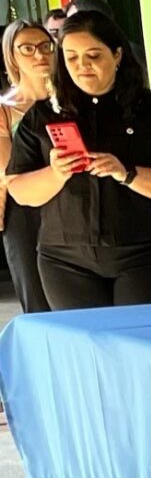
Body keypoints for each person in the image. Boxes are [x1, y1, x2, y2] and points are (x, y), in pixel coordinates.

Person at [1, 9, 151, 309]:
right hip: (66, 258)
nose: (82, 66)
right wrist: (56, 172)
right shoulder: (41, 116)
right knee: (84, 349)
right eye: (71, 57)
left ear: (117, 55)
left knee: (140, 345)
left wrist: (128, 173)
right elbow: (20, 189)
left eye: (93, 56)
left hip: (150, 254)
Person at [1, 19, 57, 312]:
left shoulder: (70, 101)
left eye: (46, 46)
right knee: (37, 299)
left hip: (72, 206)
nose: (39, 55)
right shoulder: (4, 110)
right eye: (27, 49)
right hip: (24, 212)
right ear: (12, 56)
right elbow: (8, 170)